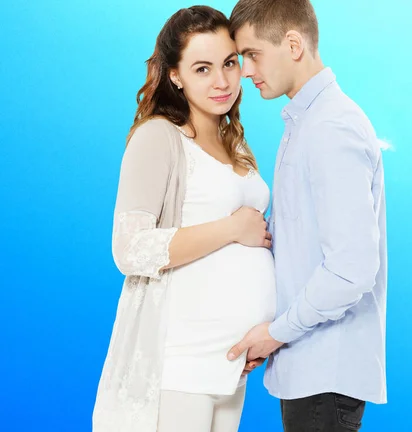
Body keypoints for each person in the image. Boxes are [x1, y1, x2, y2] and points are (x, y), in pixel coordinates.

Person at [92, 6, 275, 432]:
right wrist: (232, 228)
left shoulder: (238, 148)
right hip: (178, 364)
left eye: (230, 63)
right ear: (176, 75)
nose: (223, 81)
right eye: (203, 68)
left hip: (231, 365)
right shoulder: (159, 137)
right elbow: (130, 249)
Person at [226, 0, 388, 430]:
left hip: (325, 375)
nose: (245, 70)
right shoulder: (308, 123)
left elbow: (352, 268)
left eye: (252, 54)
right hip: (309, 369)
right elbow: (305, 251)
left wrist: (277, 331)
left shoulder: (331, 127)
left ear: (293, 44)